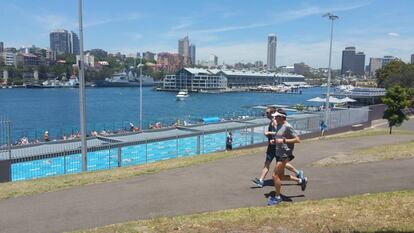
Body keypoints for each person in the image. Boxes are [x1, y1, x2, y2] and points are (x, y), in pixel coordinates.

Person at [252, 106, 305, 188]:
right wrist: (271, 136)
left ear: (272, 113)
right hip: (273, 147)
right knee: (269, 164)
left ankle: (299, 177)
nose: (266, 114)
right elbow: (278, 133)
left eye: (267, 113)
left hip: (278, 149)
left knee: (279, 172)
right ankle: (261, 181)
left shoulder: (278, 123)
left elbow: (295, 139)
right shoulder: (276, 122)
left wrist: (278, 139)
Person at [268, 108, 308, 206]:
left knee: (275, 176)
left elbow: (298, 140)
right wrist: (275, 141)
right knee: (280, 176)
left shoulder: (288, 126)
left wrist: (284, 141)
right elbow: (279, 136)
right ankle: (301, 180)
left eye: (276, 116)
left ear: (282, 117)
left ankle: (277, 197)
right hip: (279, 153)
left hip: (284, 155)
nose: (275, 118)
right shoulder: (279, 125)